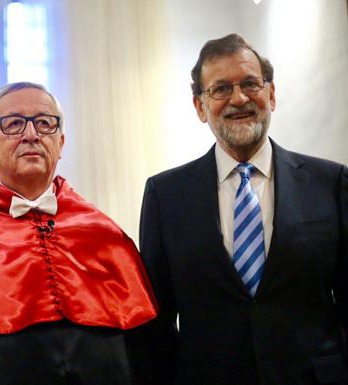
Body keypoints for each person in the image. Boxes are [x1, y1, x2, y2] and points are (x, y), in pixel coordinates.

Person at [0, 82, 157, 385]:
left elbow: (147, 349)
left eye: (44, 123)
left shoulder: (103, 231)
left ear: (61, 142)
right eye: (13, 124)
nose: (31, 135)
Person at [139, 33, 348, 385]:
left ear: (272, 94)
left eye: (251, 84)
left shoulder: (331, 182)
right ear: (200, 107)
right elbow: (156, 320)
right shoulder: (166, 195)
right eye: (220, 89)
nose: (239, 98)